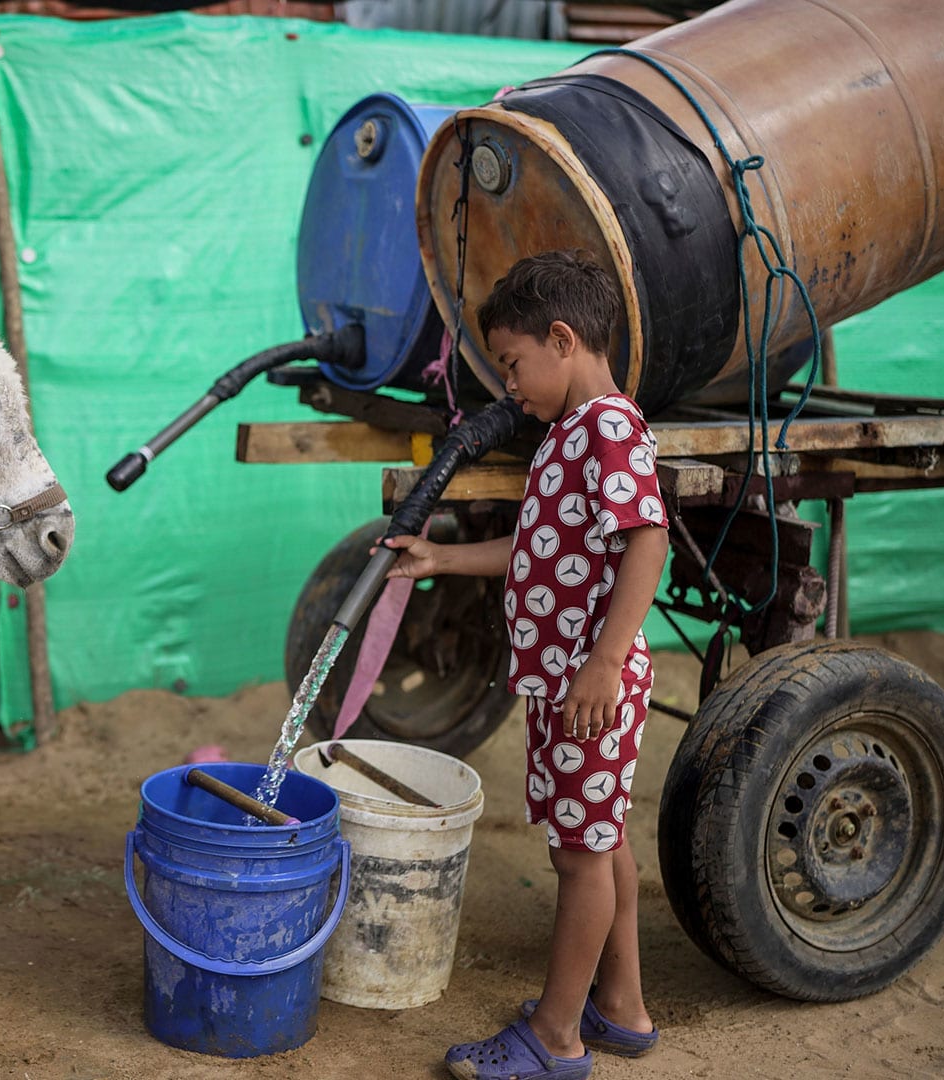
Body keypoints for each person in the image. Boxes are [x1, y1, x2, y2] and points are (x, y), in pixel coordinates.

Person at [381, 251, 669, 1080]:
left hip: (591, 683)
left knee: (582, 854)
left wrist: (606, 662)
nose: (508, 385)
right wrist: (439, 560)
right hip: (566, 681)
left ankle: (556, 1038)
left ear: (563, 337)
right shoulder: (568, 436)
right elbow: (536, 549)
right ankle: (621, 1008)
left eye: (512, 364)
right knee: (595, 841)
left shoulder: (609, 426)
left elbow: (646, 534)